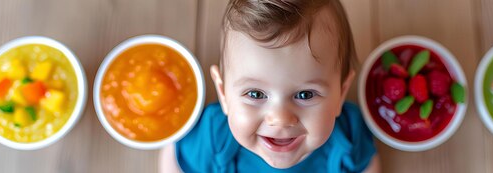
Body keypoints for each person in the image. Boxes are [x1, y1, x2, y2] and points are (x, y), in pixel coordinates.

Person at [159, 0, 380, 172]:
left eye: (305, 94)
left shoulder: (348, 136)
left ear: (341, 93)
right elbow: (175, 157)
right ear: (224, 92)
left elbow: (367, 164)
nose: (280, 118)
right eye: (255, 93)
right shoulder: (213, 137)